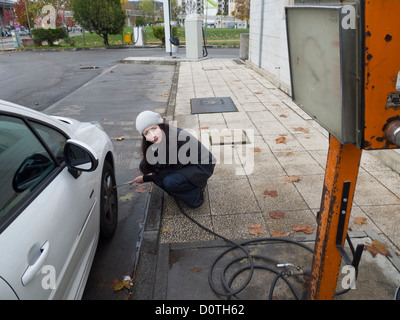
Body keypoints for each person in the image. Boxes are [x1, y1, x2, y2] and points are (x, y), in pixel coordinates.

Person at [131, 110, 215, 208]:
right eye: (146, 133)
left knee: (169, 182)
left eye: (154, 128)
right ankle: (177, 190)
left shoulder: (176, 139)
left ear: (160, 125)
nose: (152, 135)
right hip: (184, 164)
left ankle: (196, 195)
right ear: (144, 136)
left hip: (201, 165)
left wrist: (147, 177)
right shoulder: (160, 137)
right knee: (144, 166)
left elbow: (171, 170)